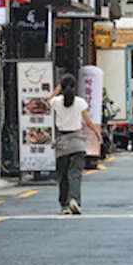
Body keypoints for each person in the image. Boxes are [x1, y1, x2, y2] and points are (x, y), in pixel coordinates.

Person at [48, 75, 100, 215]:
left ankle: (64, 205)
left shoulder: (57, 101)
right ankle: (74, 200)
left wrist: (57, 89)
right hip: (77, 141)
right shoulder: (80, 102)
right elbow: (88, 121)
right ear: (75, 87)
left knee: (63, 175)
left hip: (62, 142)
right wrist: (97, 133)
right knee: (75, 174)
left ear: (61, 86)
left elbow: (48, 101)